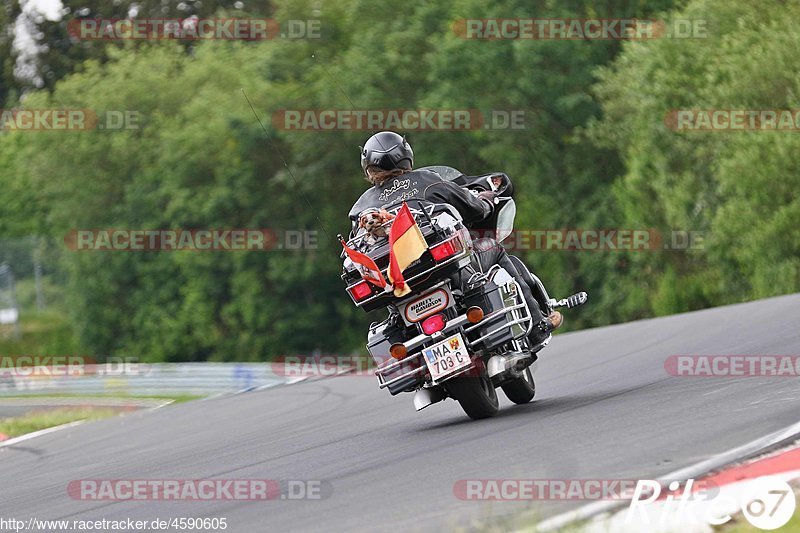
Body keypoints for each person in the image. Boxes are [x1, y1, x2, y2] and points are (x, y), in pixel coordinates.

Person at [348, 131, 562, 343]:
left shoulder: (360, 208)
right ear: (406, 156)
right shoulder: (426, 180)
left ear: (368, 167)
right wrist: (487, 200)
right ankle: (536, 326)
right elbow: (475, 208)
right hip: (448, 273)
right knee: (493, 248)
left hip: (398, 290)